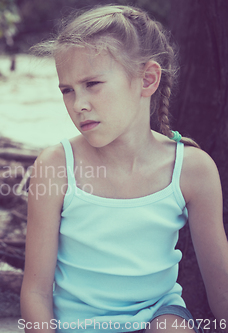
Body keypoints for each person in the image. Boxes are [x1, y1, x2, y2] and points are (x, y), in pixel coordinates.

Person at [20, 4, 228, 333]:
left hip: (159, 316)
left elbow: (222, 290)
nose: (79, 104)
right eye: (67, 90)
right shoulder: (56, 166)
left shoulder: (191, 169)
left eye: (93, 84)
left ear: (147, 80)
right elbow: (36, 291)